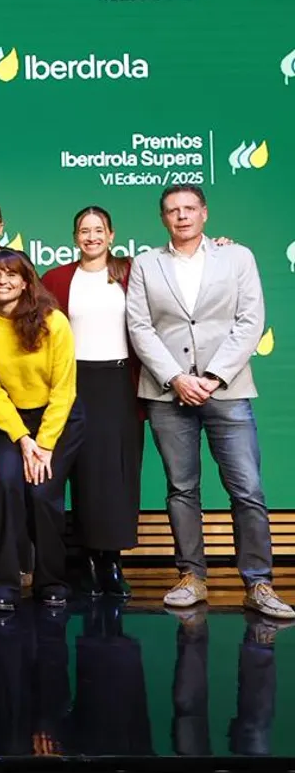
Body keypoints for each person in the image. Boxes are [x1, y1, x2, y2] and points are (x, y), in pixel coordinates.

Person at [126, 185, 290, 618]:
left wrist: (214, 377)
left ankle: (259, 583)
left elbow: (250, 320)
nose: (181, 216)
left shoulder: (237, 257)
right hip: (168, 392)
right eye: (172, 210)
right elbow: (140, 326)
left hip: (228, 389)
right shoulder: (146, 263)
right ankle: (191, 577)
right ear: (163, 218)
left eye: (189, 208)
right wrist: (177, 378)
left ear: (204, 213)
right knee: (182, 489)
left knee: (247, 488)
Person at [0, 251, 79, 611]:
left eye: (11, 275)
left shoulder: (53, 321)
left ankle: (51, 580)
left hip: (57, 417)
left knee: (43, 494)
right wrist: (22, 438)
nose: (2, 281)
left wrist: (43, 444)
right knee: (6, 486)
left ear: (26, 281)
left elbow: (64, 387)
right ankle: (4, 580)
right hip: (11, 420)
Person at [40, 206, 142, 599]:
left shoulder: (131, 272)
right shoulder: (57, 278)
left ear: (111, 235)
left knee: (113, 474)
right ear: (75, 237)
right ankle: (83, 561)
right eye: (85, 230)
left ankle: (111, 561)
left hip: (118, 382)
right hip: (72, 382)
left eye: (99, 230)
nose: (92, 237)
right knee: (78, 471)